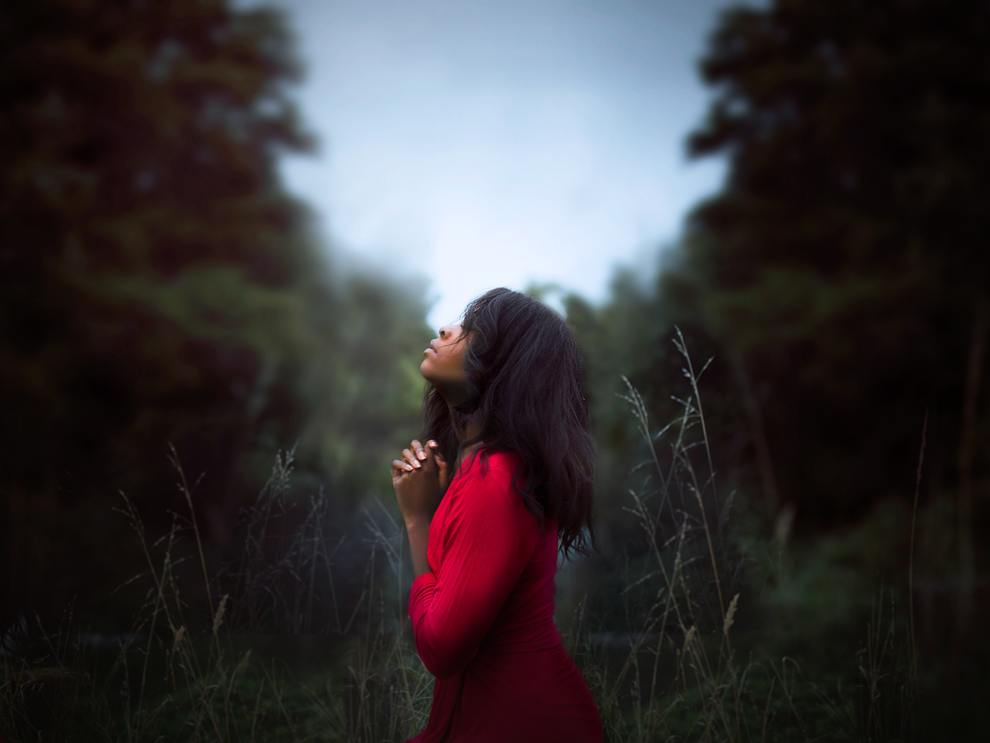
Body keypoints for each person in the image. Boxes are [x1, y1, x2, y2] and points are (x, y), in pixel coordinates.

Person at [391, 287, 605, 742]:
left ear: (504, 366)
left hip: (522, 722)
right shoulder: (485, 473)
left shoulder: (497, 482)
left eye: (471, 332)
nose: (445, 329)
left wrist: (416, 520)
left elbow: (442, 648)